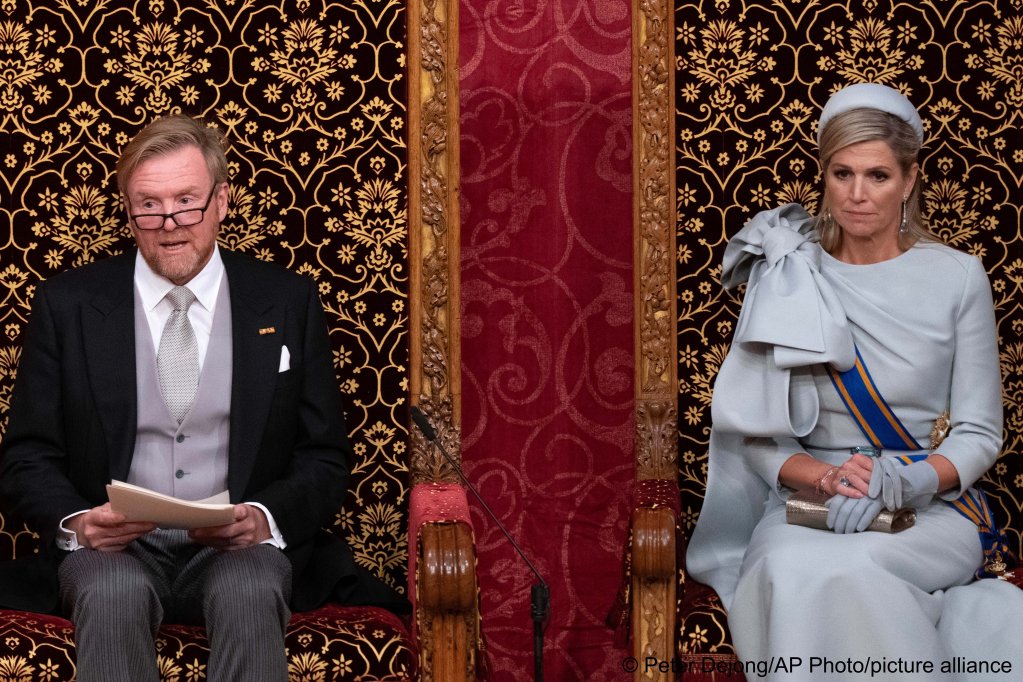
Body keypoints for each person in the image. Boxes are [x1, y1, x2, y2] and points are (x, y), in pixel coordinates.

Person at [0, 115, 380, 681]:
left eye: (187, 201)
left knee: (250, 587)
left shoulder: (286, 300)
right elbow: (26, 455)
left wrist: (264, 519)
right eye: (149, 205)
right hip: (115, 553)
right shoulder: (68, 305)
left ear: (222, 201)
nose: (169, 223)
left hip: (238, 549)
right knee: (110, 593)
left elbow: (324, 456)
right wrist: (79, 522)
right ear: (128, 211)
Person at [686, 83, 1023, 679]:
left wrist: (910, 480)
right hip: (808, 503)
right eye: (842, 173)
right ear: (824, 173)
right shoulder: (787, 272)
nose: (858, 195)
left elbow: (979, 433)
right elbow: (759, 437)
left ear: (910, 179)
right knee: (793, 571)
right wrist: (831, 478)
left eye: (878, 176)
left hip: (929, 506)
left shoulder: (958, 278)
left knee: (859, 568)